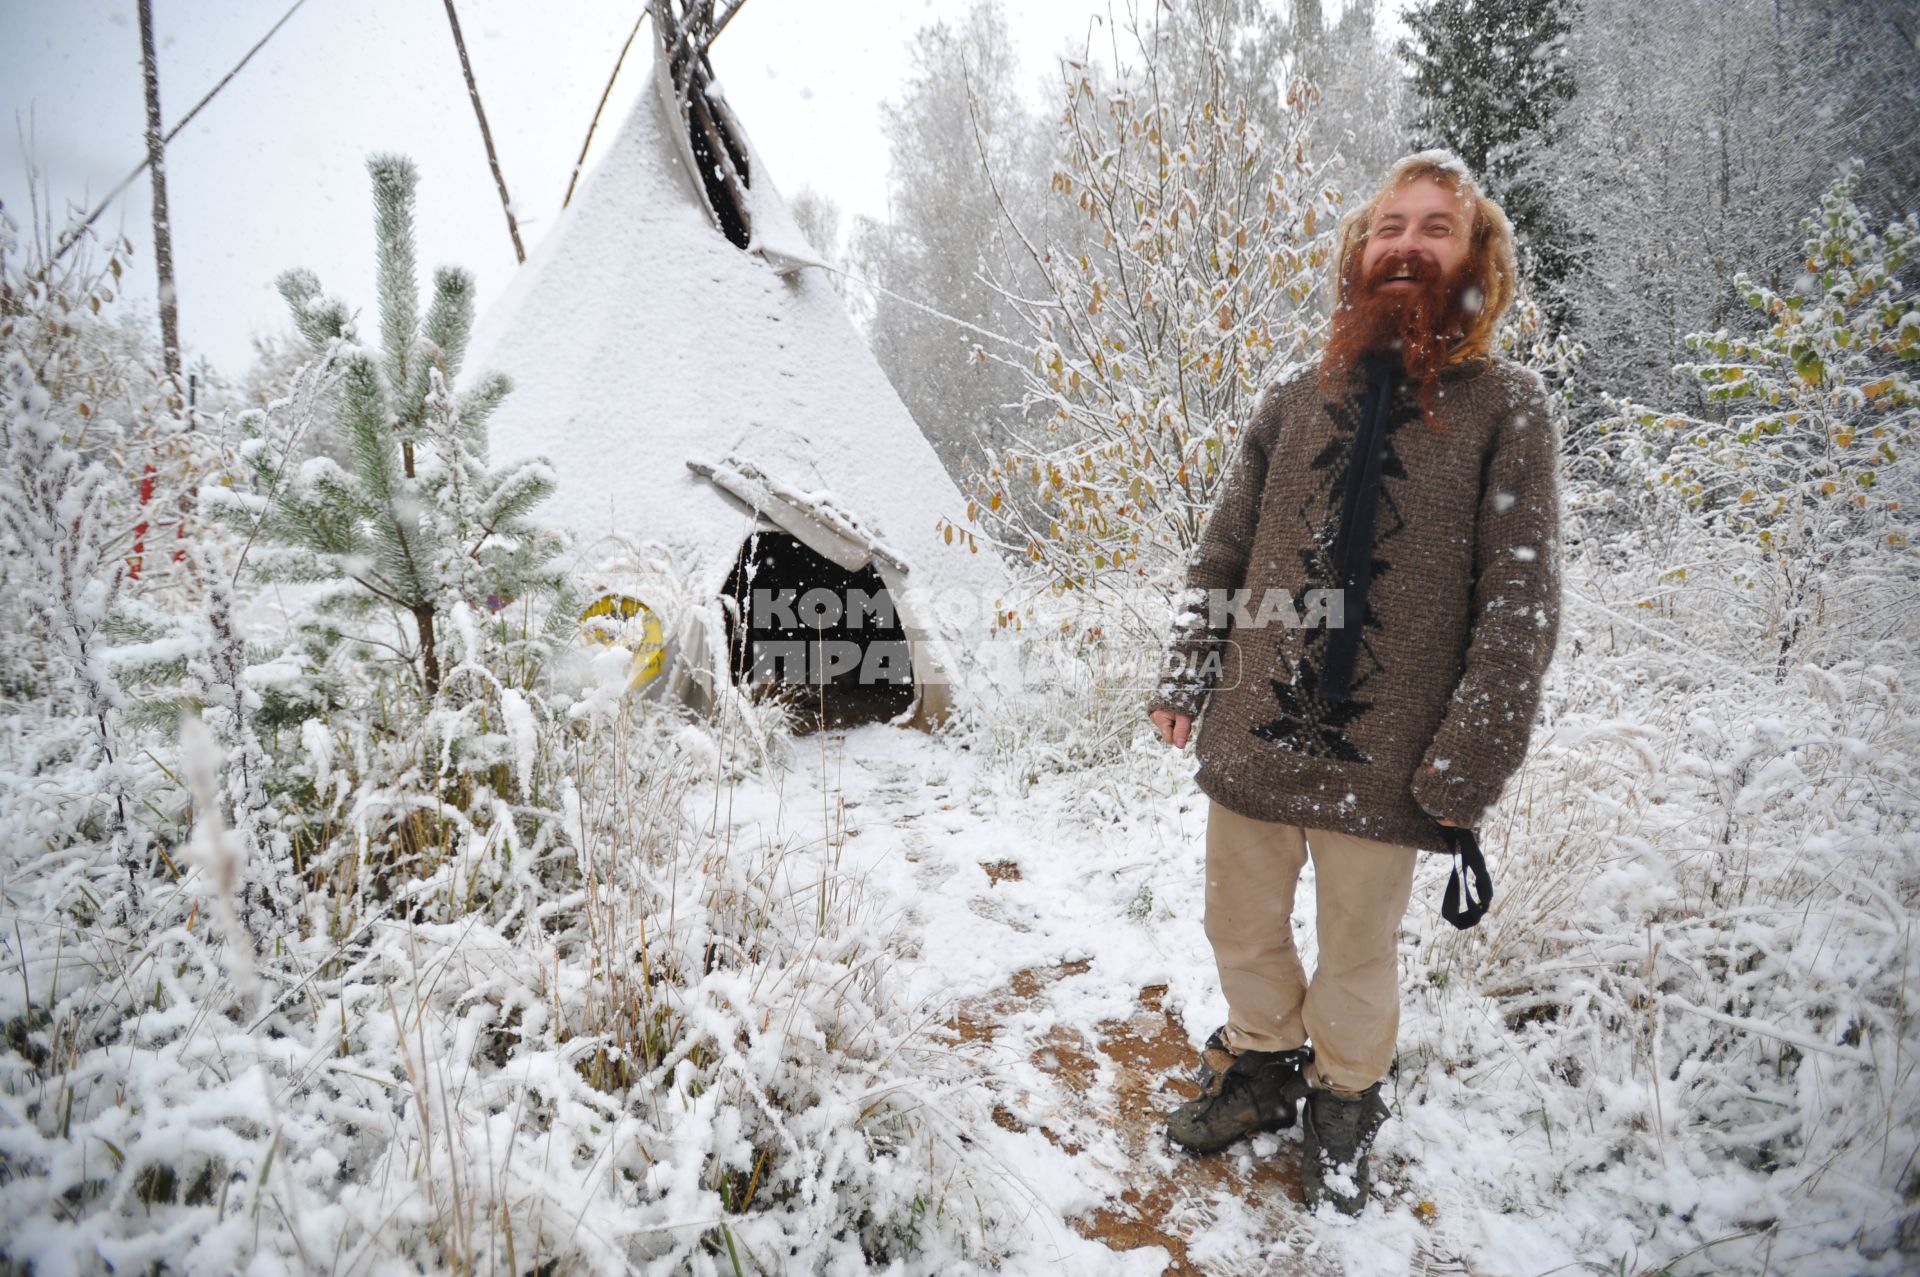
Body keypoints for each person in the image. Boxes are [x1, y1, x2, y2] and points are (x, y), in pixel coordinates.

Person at [1144, 149, 1565, 1216]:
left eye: (1436, 226)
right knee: (1238, 924)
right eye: (1390, 226)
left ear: (1478, 260)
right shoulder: (1294, 398)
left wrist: (1471, 757)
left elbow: (1518, 605)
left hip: (1393, 761)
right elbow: (1223, 553)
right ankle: (1264, 1062)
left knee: (1357, 956)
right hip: (1252, 734)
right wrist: (1189, 669)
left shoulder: (1507, 409)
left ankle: (1343, 1094)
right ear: (1359, 252)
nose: (1408, 245)